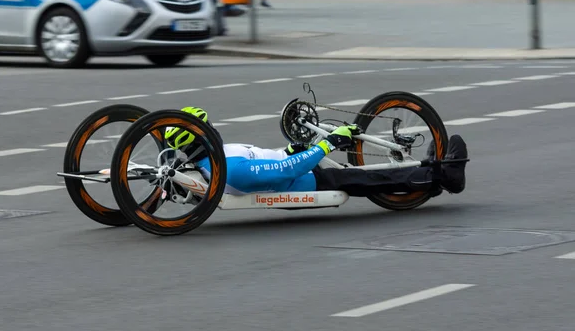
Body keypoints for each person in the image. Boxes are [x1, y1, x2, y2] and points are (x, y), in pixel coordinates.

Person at [164, 107, 468, 197]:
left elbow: (272, 161)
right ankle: (443, 176)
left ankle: (427, 178)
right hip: (306, 181)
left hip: (295, 168)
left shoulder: (216, 159)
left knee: (368, 175)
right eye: (208, 126)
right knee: (370, 178)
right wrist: (329, 143)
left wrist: (289, 149)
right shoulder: (230, 167)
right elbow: (285, 172)